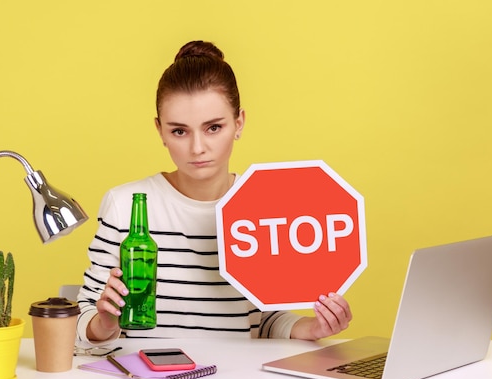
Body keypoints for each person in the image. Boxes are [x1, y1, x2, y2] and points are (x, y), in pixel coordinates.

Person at [76, 40, 352, 345]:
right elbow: (84, 314)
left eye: (213, 128)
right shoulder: (126, 206)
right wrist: (103, 323)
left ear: (238, 123)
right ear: (160, 131)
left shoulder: (264, 204)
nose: (197, 148)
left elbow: (264, 318)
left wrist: (315, 328)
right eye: (179, 131)